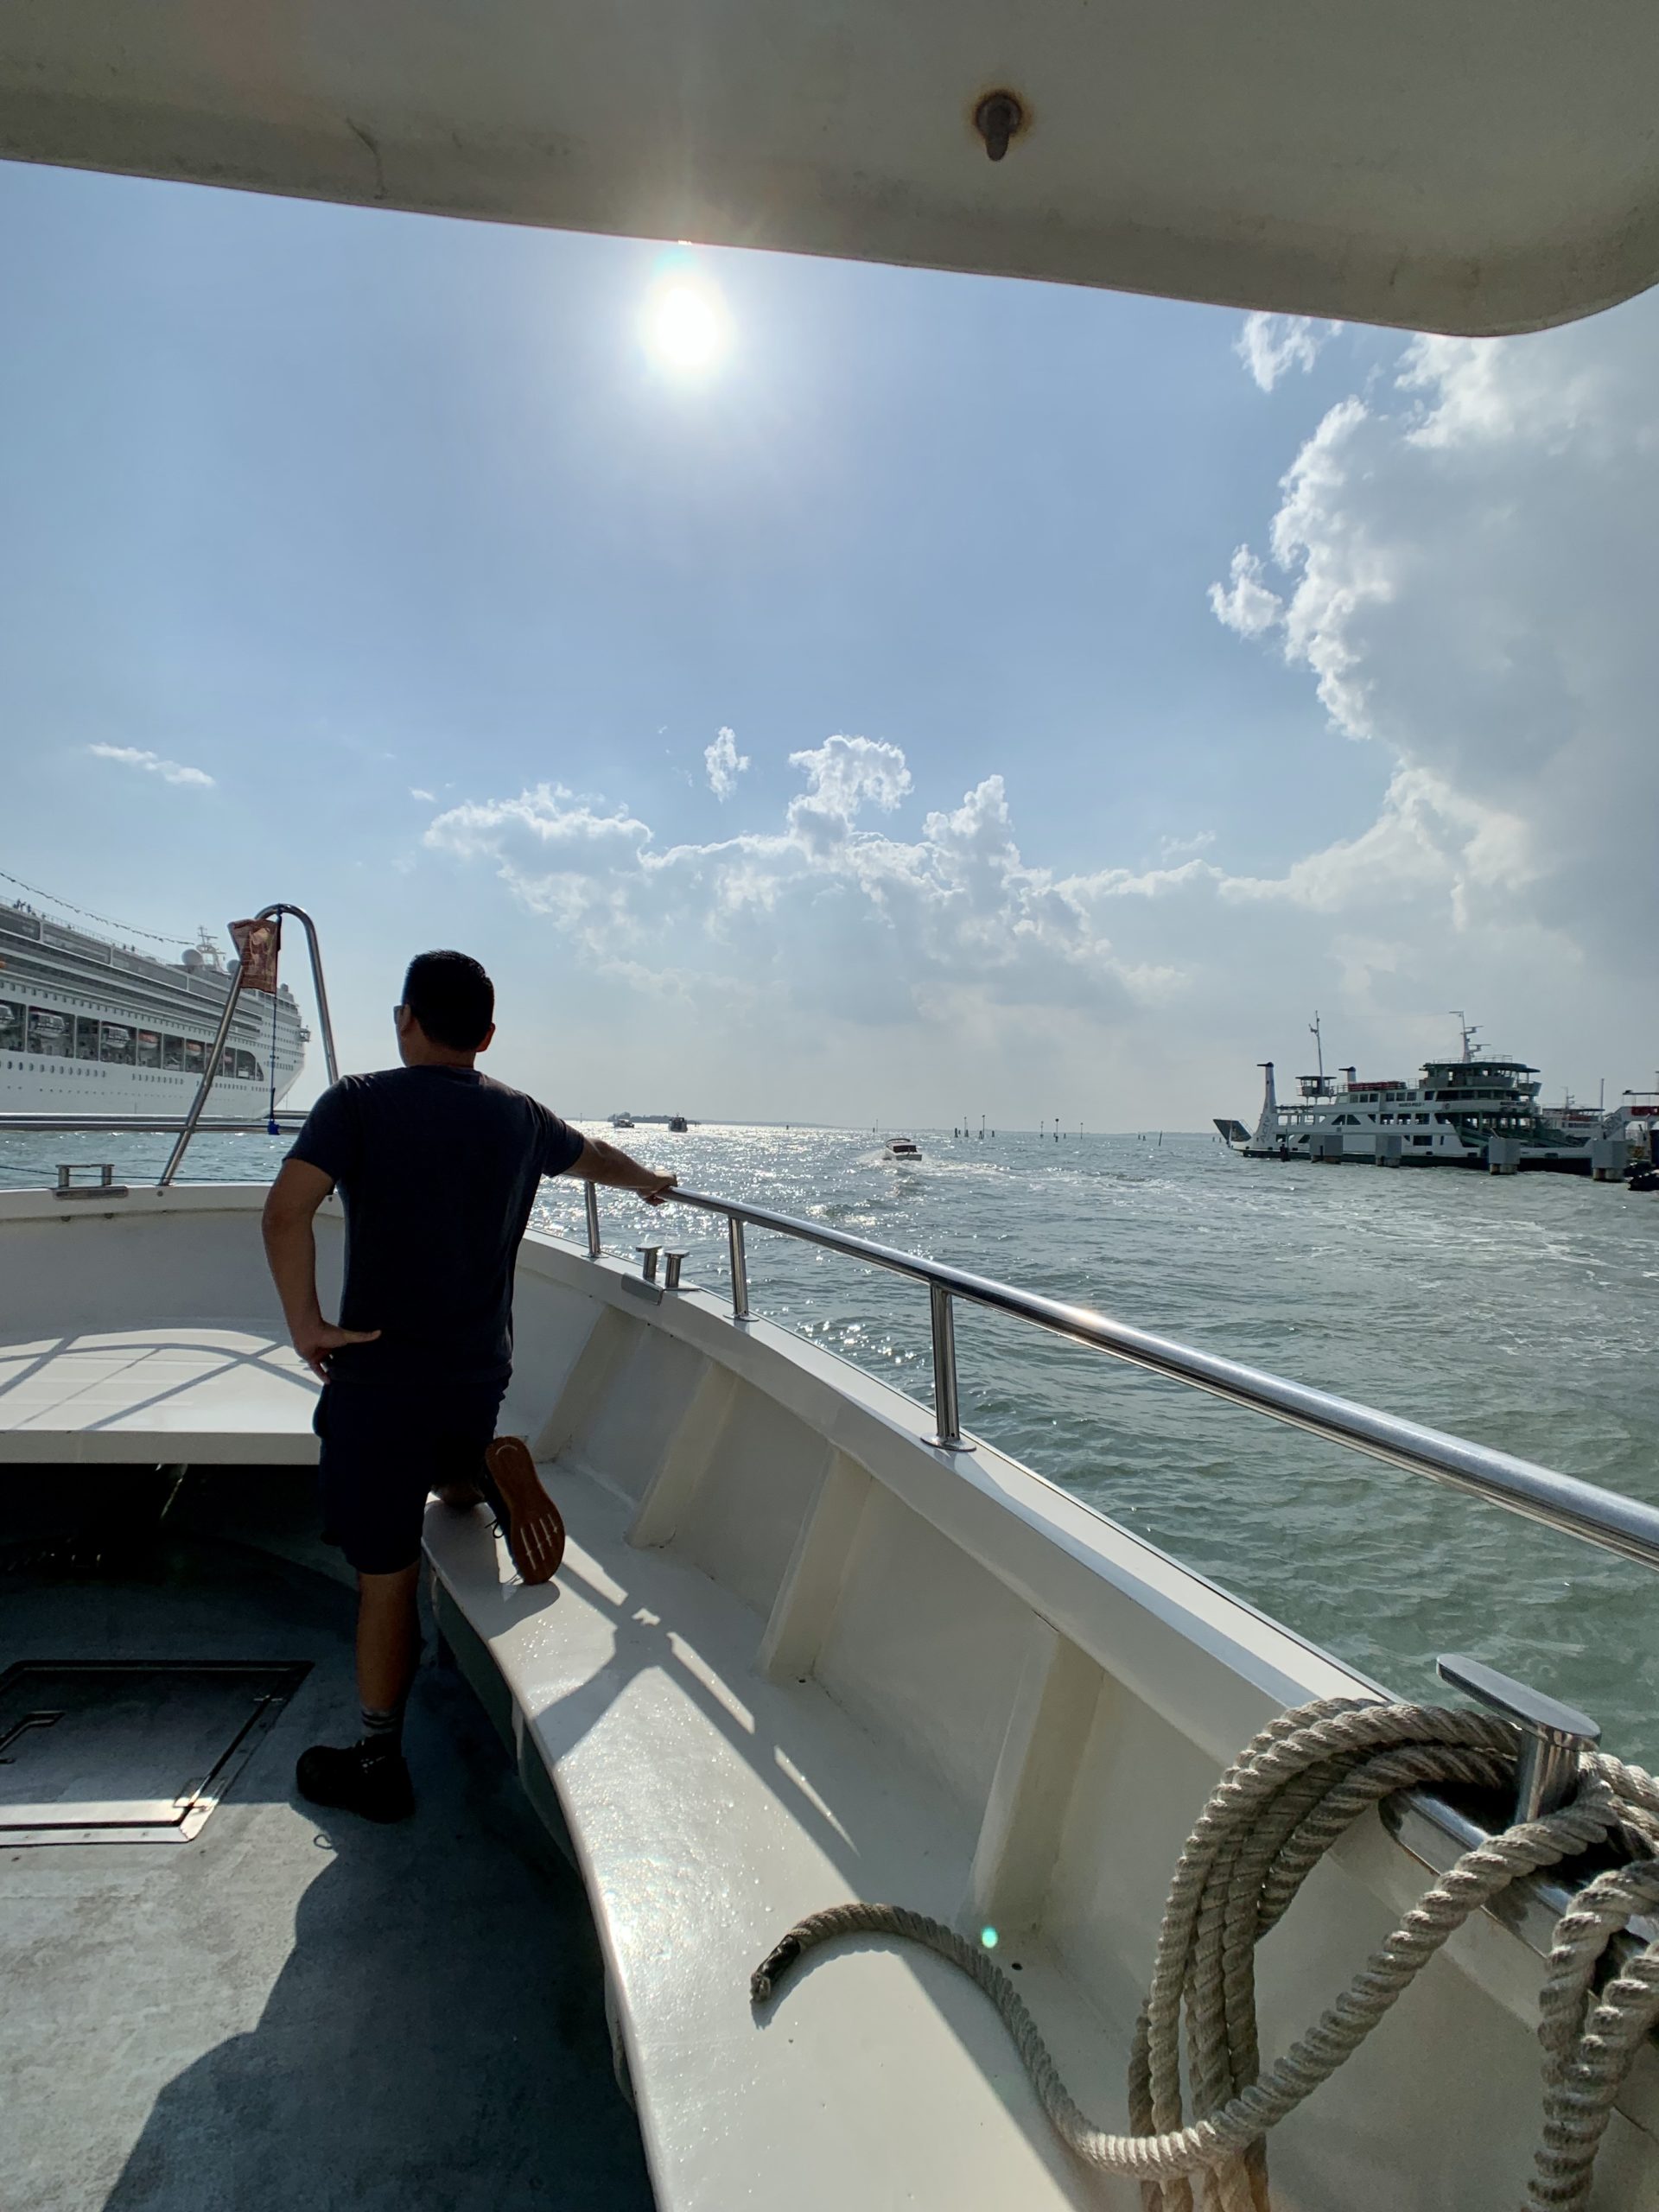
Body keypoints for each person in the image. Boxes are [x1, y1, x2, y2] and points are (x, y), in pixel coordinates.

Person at [261, 949, 675, 1822]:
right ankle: (476, 1472)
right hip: (477, 1372)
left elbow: (285, 1210)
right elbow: (591, 1152)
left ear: (405, 1019)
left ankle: (379, 1758)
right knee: (445, 1463)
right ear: (487, 1035)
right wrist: (649, 1182)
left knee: (386, 1573)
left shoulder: (358, 1103)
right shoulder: (519, 1117)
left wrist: (307, 1325)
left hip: (379, 1383)